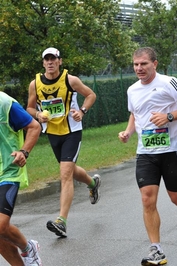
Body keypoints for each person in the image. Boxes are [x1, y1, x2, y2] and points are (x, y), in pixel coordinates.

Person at [118, 47, 177, 266]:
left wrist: (169, 116)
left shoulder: (169, 82)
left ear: (154, 64)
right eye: (136, 64)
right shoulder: (132, 90)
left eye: (144, 64)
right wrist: (129, 131)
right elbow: (134, 114)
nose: (139, 68)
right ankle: (156, 250)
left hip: (171, 150)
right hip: (145, 152)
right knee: (147, 198)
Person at [26, 47, 101, 238]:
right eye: (47, 59)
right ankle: (92, 183)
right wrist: (37, 115)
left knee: (65, 174)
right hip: (52, 132)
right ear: (43, 63)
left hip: (72, 131)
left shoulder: (70, 80)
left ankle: (62, 221)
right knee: (69, 169)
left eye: (54, 59)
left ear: (60, 61)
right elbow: (29, 107)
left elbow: (91, 95)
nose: (50, 62)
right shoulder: (35, 84)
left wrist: (82, 111)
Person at [0, 91, 42, 265]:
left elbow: (34, 126)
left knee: (0, 225)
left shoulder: (4, 103)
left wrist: (24, 151)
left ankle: (27, 248)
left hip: (8, 170)